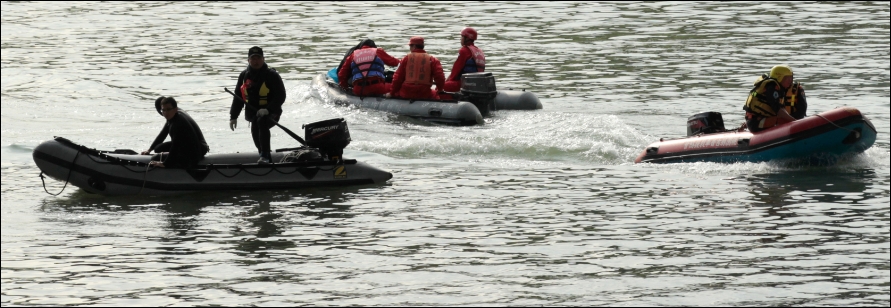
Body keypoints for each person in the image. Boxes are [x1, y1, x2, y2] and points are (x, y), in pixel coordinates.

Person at [229, 46, 287, 164]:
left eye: (258, 58)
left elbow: (281, 96)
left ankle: (265, 156)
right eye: (253, 59)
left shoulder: (272, 75)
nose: (256, 61)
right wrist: (233, 116)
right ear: (248, 60)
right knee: (256, 124)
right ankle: (264, 155)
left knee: (261, 121)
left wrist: (268, 109)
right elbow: (238, 98)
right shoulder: (244, 76)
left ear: (263, 59)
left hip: (271, 113)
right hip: (253, 114)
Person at [147, 97, 209, 168]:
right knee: (157, 148)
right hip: (188, 144)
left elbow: (175, 145)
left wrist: (165, 163)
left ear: (175, 108)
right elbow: (163, 133)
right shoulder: (174, 115)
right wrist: (149, 150)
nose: (165, 113)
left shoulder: (177, 123)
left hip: (197, 150)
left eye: (168, 109)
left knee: (157, 156)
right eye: (163, 110)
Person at [742, 65, 800, 132]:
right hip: (755, 123)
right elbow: (779, 111)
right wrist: (795, 122)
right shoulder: (771, 88)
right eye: (788, 78)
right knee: (783, 119)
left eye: (791, 78)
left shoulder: (778, 89)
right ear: (780, 77)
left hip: (758, 120)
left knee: (785, 119)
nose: (791, 81)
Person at [386, 36, 445, 100]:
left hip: (407, 92)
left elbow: (397, 78)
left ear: (414, 46)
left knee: (397, 92)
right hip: (424, 92)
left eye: (410, 46)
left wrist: (392, 93)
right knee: (435, 94)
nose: (410, 49)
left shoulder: (406, 59)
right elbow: (440, 77)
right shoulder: (433, 60)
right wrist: (440, 89)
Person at [443, 27, 486, 95]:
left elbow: (455, 71)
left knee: (441, 87)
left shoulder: (464, 50)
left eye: (462, 36)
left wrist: (446, 82)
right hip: (477, 84)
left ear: (467, 38)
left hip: (465, 84)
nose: (460, 39)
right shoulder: (480, 51)